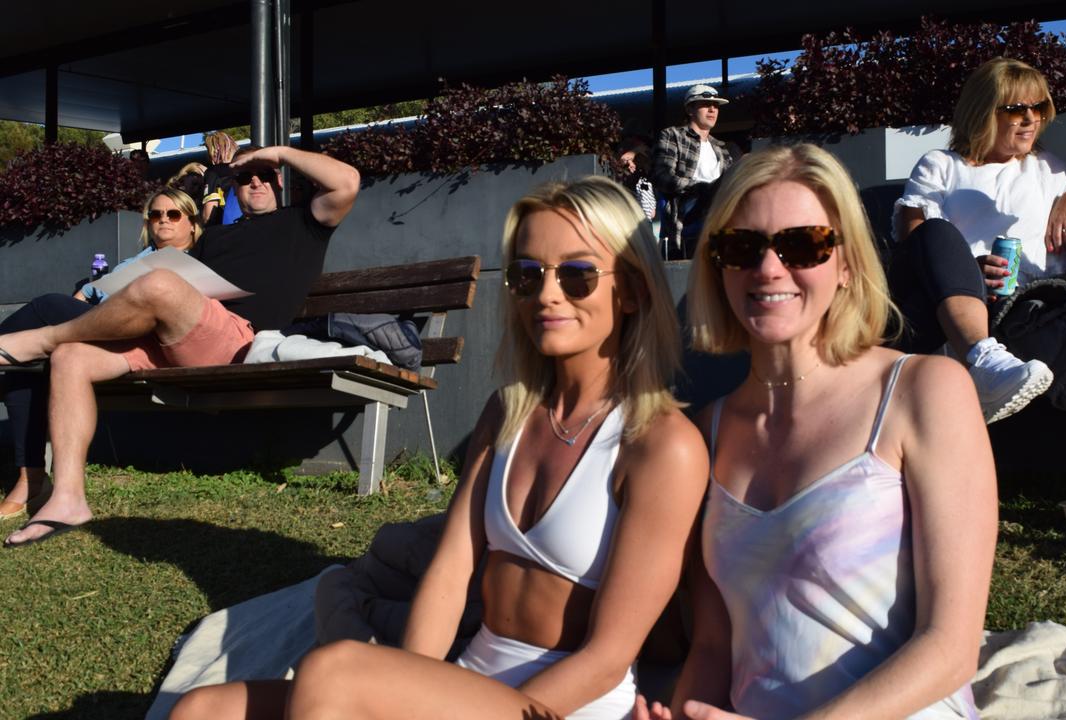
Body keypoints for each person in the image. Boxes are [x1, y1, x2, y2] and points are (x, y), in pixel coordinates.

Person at [168, 176, 708, 719]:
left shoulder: (661, 446)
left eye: (577, 274)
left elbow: (607, 658)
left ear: (633, 290)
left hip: (562, 706)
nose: (547, 293)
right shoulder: (509, 411)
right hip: (468, 682)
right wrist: (405, 687)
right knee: (204, 709)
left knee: (333, 672)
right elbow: (451, 574)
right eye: (527, 274)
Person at [638, 143, 996, 720]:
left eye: (803, 244)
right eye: (742, 246)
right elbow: (711, 647)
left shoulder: (923, 391)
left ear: (847, 262)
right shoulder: (701, 434)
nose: (769, 268)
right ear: (718, 265)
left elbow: (950, 648)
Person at [0, 145, 359, 547]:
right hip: (173, 332)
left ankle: (33, 341)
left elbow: (347, 181)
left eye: (264, 175)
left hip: (237, 337)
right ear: (234, 189)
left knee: (157, 285)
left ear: (280, 180)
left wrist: (276, 151)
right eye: (245, 178)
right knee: (71, 357)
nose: (254, 182)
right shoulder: (217, 236)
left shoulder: (304, 223)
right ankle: (67, 498)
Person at [891, 57, 1066, 423]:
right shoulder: (942, 164)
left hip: (1025, 298)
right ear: (983, 111)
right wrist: (967, 270)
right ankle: (984, 361)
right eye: (1016, 109)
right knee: (935, 233)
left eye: (1039, 107)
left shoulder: (1046, 167)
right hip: (945, 297)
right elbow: (914, 237)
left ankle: (981, 366)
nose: (1031, 119)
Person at [0, 188, 203, 522]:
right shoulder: (134, 261)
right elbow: (85, 296)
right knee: (26, 368)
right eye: (156, 215)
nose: (163, 220)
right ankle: (30, 478)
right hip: (99, 327)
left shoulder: (195, 259)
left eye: (173, 214)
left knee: (47, 304)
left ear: (192, 224)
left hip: (142, 336)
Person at [652, 84, 733, 256]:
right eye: (705, 104)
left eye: (716, 106)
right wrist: (701, 188)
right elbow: (662, 176)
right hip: (687, 217)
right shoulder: (673, 135)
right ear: (690, 109)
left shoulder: (721, 148)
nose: (712, 109)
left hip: (720, 213)